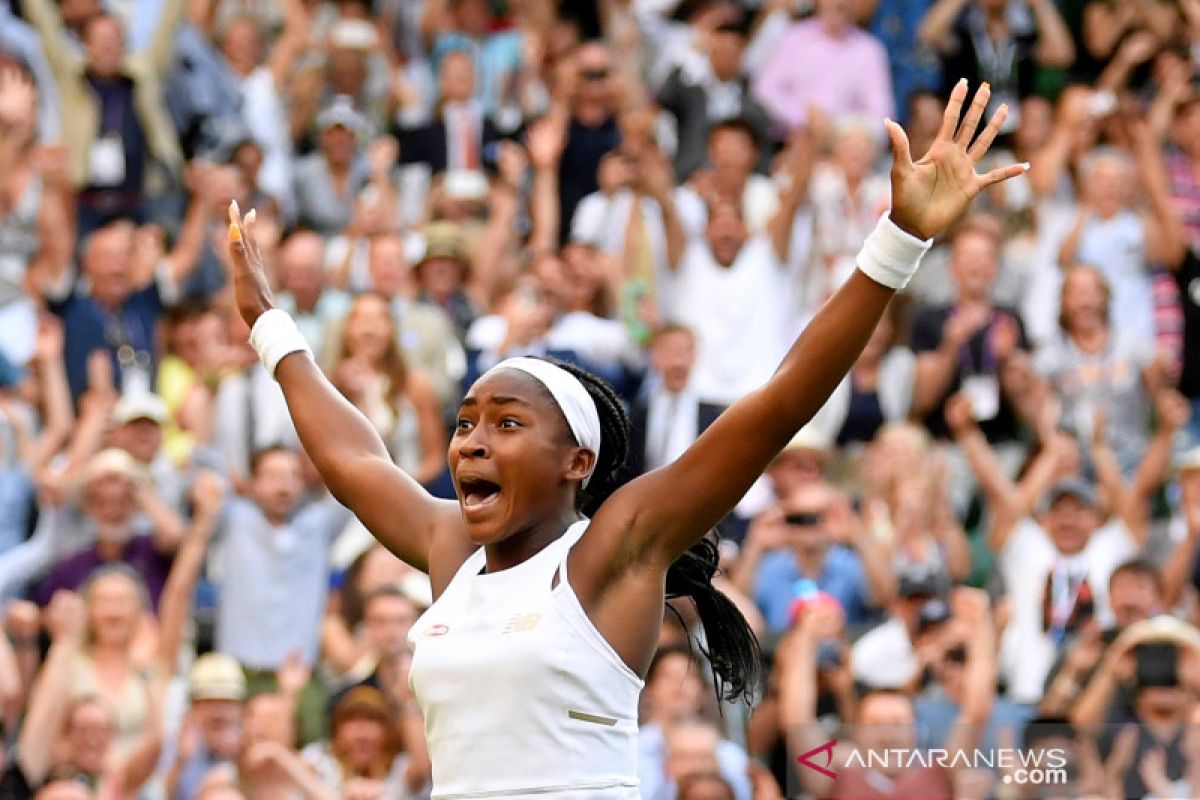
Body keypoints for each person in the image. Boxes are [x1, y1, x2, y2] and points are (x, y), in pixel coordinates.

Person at [224, 80, 1026, 794]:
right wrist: (271, 327)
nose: (470, 440)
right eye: (466, 422)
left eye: (507, 423)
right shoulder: (451, 549)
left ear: (578, 462)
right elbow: (355, 457)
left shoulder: (617, 549)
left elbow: (779, 404)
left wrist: (898, 242)